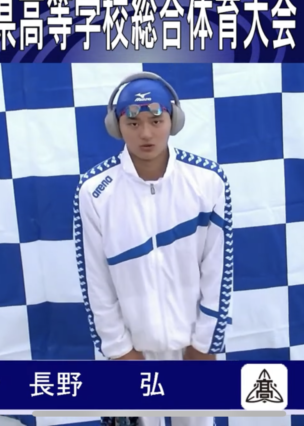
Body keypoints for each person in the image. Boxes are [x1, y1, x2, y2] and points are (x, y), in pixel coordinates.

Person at [73, 72, 234, 426]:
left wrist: (205, 344)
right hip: (132, 351)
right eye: (133, 122)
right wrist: (119, 351)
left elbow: (219, 271)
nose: (145, 133)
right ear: (116, 125)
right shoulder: (94, 191)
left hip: (193, 347)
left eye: (156, 121)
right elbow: (95, 283)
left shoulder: (208, 181)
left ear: (173, 120)